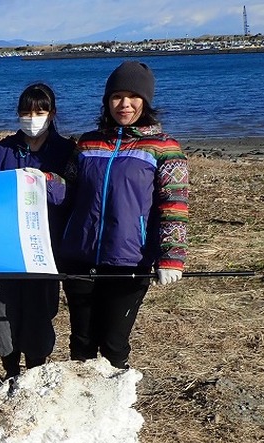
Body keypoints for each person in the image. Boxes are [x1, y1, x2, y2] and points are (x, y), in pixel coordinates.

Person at [58, 61, 189, 368]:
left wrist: (172, 257)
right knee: (81, 343)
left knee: (114, 344)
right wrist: (35, 182)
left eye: (133, 96)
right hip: (79, 255)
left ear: (146, 100)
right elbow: (67, 190)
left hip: (130, 259)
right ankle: (83, 407)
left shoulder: (164, 148)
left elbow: (174, 205)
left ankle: (116, 407)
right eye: (117, 96)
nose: (125, 104)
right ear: (107, 100)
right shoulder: (88, 142)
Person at [0, 83, 75, 379]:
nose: (32, 117)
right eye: (25, 112)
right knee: (2, 310)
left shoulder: (65, 150)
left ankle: (34, 373)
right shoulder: (3, 149)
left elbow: (68, 195)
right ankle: (9, 373)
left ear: (52, 113)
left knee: (39, 312)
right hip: (4, 247)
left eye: (39, 111)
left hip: (44, 248)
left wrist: (40, 180)